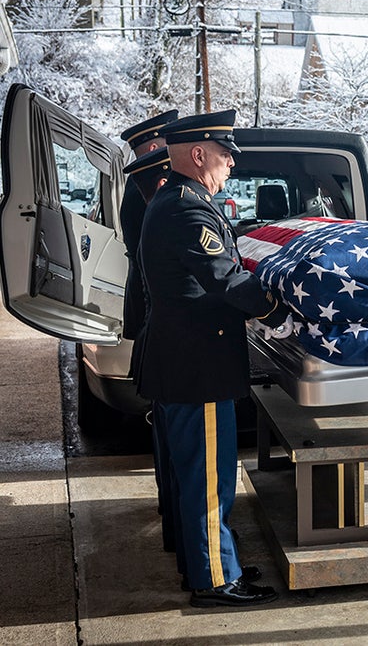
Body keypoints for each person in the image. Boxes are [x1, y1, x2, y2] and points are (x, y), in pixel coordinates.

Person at [138, 110, 291, 607]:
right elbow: (225, 279)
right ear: (198, 154)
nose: (230, 165)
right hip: (197, 365)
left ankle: (202, 566)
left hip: (182, 361)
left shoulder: (177, 199)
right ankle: (215, 580)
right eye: (225, 155)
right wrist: (276, 309)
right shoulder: (187, 209)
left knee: (193, 476)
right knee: (208, 480)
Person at [117, 111, 178, 557]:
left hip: (154, 323)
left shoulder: (142, 193)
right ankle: (174, 515)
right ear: (155, 149)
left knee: (167, 433)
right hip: (165, 325)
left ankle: (171, 512)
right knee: (173, 436)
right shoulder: (154, 196)